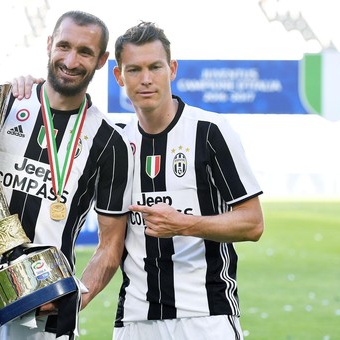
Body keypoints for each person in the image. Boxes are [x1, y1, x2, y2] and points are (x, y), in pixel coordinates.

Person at [0, 10, 133, 340]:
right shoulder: (3, 103)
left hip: (43, 315)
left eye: (85, 52)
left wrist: (77, 295)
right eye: (63, 46)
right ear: (49, 44)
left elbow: (110, 245)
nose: (71, 60)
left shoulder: (110, 143)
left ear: (102, 60)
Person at [111, 22, 264, 339]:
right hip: (135, 321)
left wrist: (183, 224)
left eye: (155, 67)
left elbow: (252, 223)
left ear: (173, 69)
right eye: (134, 69)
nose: (147, 79)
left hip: (205, 316)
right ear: (119, 76)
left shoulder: (209, 131)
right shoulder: (117, 146)